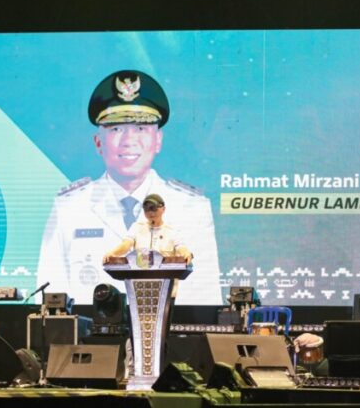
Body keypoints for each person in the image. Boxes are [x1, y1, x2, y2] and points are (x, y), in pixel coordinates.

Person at [36, 69, 221, 305]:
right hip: (88, 329)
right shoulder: (69, 208)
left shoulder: (192, 208)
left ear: (158, 140)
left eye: (141, 128)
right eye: (116, 129)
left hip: (171, 327)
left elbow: (206, 302)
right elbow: (49, 300)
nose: (128, 140)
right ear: (98, 142)